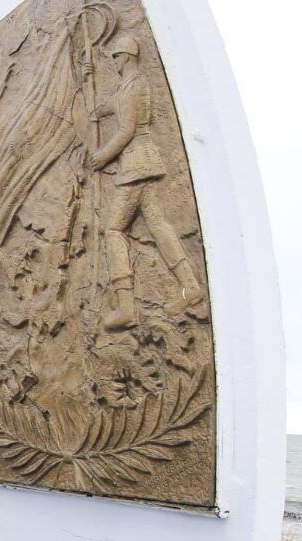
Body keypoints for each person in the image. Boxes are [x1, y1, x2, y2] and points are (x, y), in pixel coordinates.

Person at [89, 35, 207, 330]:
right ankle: (190, 286)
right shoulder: (130, 85)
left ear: (126, 56)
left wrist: (102, 155)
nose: (113, 63)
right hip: (144, 162)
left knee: (114, 229)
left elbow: (127, 128)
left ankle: (126, 307)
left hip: (136, 164)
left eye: (115, 57)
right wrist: (98, 107)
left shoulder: (133, 85)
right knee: (158, 225)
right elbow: (116, 106)